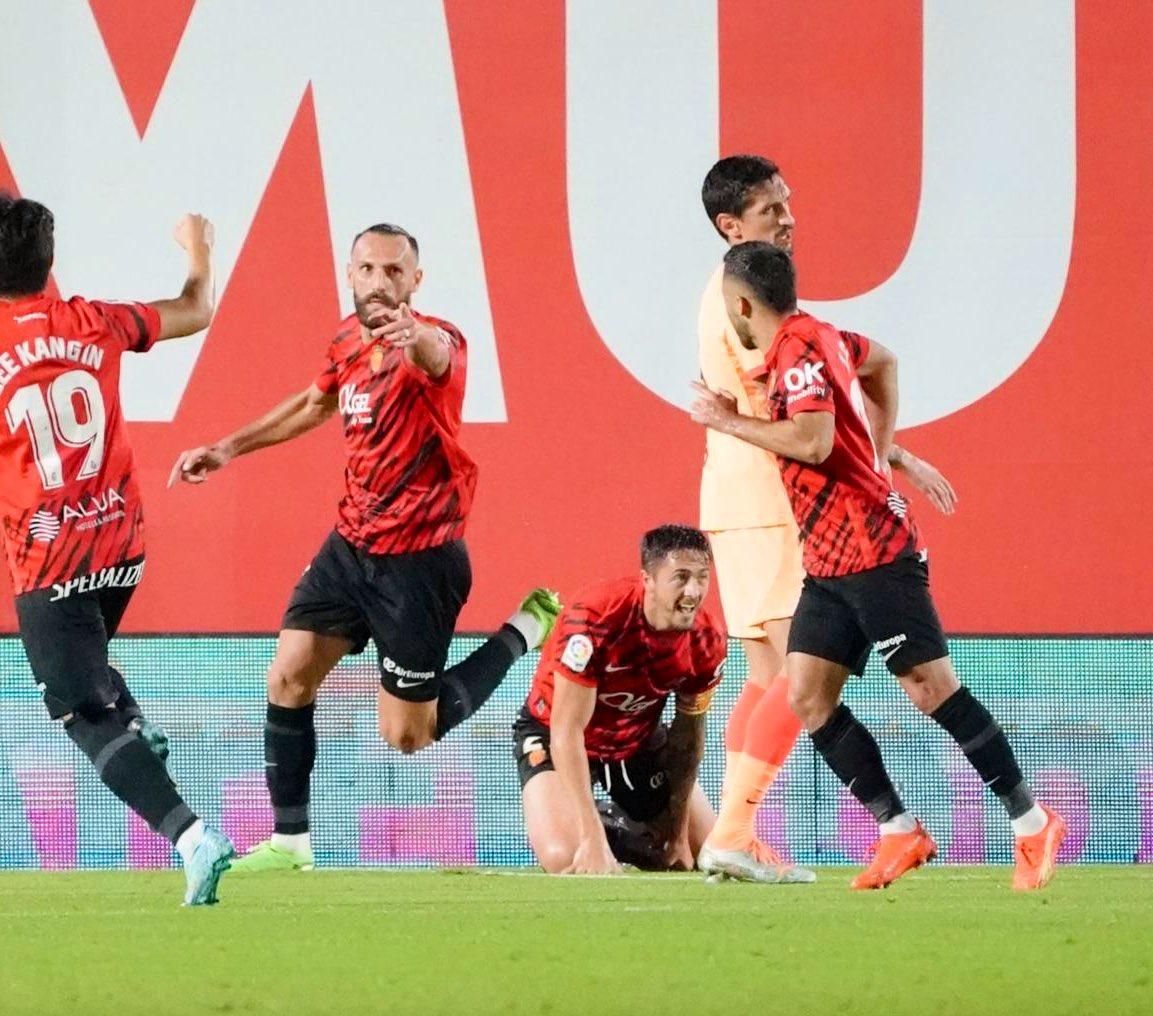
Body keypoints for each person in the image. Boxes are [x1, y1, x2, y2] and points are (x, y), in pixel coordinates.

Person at [170, 223, 559, 871]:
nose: (379, 282)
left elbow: (434, 356)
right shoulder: (346, 341)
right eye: (367, 269)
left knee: (409, 735)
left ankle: (524, 628)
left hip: (419, 562)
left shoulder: (440, 341)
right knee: (289, 675)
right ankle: (291, 841)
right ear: (349, 275)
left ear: (415, 281)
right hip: (349, 547)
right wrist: (227, 448)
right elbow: (312, 403)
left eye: (393, 271)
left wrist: (419, 339)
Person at [691, 241, 1065, 890]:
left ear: (745, 304)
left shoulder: (795, 353)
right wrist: (883, 447)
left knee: (929, 690)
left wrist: (729, 422)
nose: (732, 322)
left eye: (732, 311)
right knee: (807, 695)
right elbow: (883, 363)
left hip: (872, 554)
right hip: (829, 562)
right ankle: (898, 831)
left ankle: (1031, 823)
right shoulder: (824, 336)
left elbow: (812, 439)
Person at [695, 156, 957, 883]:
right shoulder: (740, 304)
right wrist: (888, 456)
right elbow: (793, 422)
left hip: (738, 502)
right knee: (801, 676)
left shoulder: (730, 297)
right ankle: (735, 832)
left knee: (765, 675)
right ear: (730, 225)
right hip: (774, 504)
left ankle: (730, 829)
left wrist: (890, 451)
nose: (787, 217)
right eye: (768, 209)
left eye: (787, 202)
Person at [0, 193, 234, 905]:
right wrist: (198, 248)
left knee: (80, 711)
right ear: (51, 262)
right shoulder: (95, 322)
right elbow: (195, 310)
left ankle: (193, 836)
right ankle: (134, 724)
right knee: (91, 658)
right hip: (121, 541)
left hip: (50, 559)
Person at [514, 524, 741, 875]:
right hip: (554, 734)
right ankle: (600, 825)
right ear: (647, 579)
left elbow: (686, 741)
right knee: (564, 858)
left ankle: (624, 828)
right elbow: (567, 730)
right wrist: (590, 836)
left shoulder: (707, 640)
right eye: (680, 578)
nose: (693, 591)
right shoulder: (593, 620)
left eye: (702, 577)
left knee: (706, 851)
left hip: (637, 742)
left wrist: (677, 836)